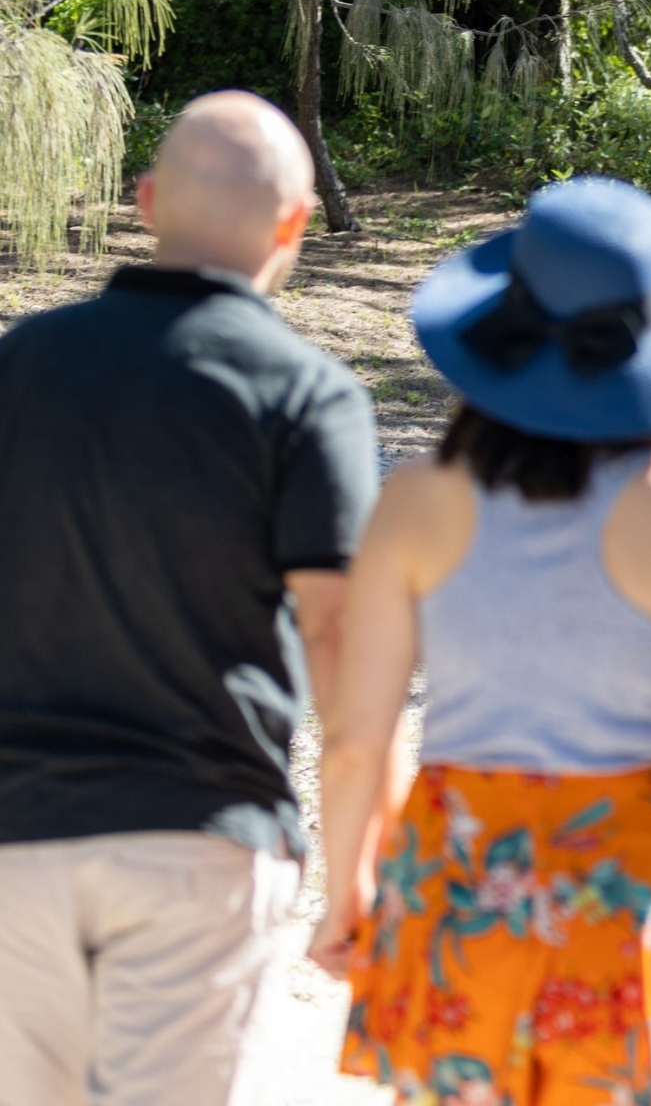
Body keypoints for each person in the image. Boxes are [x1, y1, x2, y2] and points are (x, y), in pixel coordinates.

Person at [310, 175, 651, 1105]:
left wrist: (347, 901)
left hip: (455, 878)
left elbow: (356, 742)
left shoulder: (414, 500)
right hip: (634, 889)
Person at [0, 91, 379, 1106]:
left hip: (14, 842)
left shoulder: (20, 362)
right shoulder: (308, 393)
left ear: (148, 200)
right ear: (296, 224)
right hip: (200, 836)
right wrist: (352, 875)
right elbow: (340, 644)